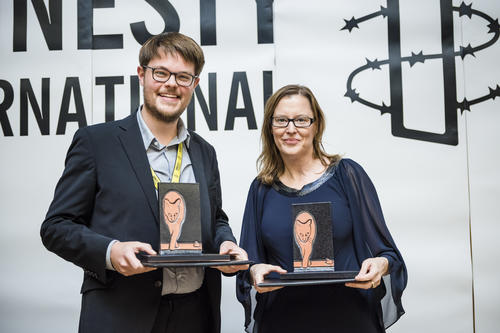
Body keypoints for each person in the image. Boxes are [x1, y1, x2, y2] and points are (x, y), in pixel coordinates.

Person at [41, 32, 248, 333]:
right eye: (161, 73)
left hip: (195, 315)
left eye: (183, 77)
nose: (171, 84)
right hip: (122, 314)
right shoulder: (96, 143)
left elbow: (216, 219)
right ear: (142, 74)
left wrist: (225, 243)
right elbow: (56, 227)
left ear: (195, 84)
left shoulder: (204, 152)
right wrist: (109, 251)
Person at [236, 84, 407, 333]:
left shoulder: (347, 175)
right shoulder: (261, 189)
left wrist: (380, 264)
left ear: (316, 126)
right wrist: (254, 271)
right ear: (270, 127)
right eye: (281, 120)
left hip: (349, 319)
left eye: (301, 120)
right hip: (283, 321)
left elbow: (389, 255)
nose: (291, 129)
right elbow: (249, 263)